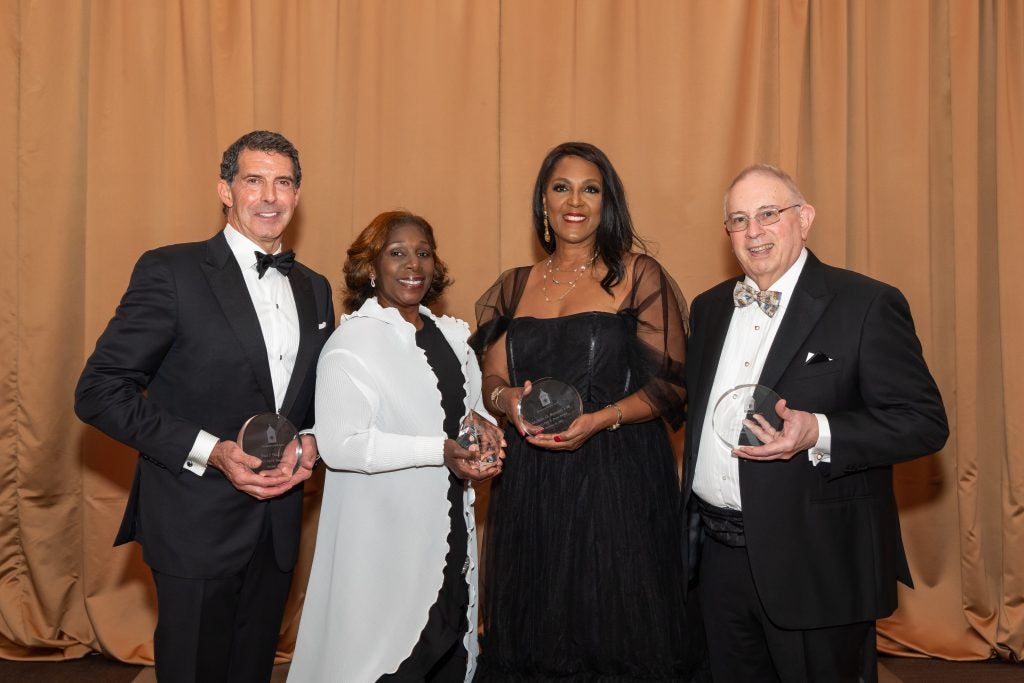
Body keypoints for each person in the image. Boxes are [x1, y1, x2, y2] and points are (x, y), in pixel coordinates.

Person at [74, 131, 335, 683]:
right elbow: (99, 390)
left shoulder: (315, 288)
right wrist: (212, 451)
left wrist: (311, 438)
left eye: (283, 182)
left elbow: (306, 398)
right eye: (253, 180)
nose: (270, 196)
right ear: (225, 189)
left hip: (277, 525)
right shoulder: (172, 271)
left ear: (297, 194)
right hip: (194, 522)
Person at [682, 164, 949, 682]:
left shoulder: (866, 304)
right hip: (716, 561)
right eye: (738, 220)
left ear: (804, 219)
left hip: (817, 559)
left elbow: (923, 422)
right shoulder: (709, 308)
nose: (753, 231)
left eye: (768, 214)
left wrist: (819, 431)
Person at [472, 142, 700, 679]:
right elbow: (491, 379)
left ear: (607, 202)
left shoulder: (638, 276)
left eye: (590, 188)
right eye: (561, 188)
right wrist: (506, 400)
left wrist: (600, 419)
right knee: (538, 626)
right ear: (543, 204)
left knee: (619, 629)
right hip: (532, 477)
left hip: (617, 474)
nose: (575, 200)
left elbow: (671, 385)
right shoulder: (513, 285)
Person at [287, 211, 505, 682]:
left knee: (448, 645)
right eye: (398, 253)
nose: (414, 265)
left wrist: (483, 431)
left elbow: (464, 410)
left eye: (423, 252)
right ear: (371, 267)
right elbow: (341, 446)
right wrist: (441, 451)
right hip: (384, 542)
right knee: (388, 661)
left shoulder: (450, 336)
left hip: (449, 529)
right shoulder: (352, 343)